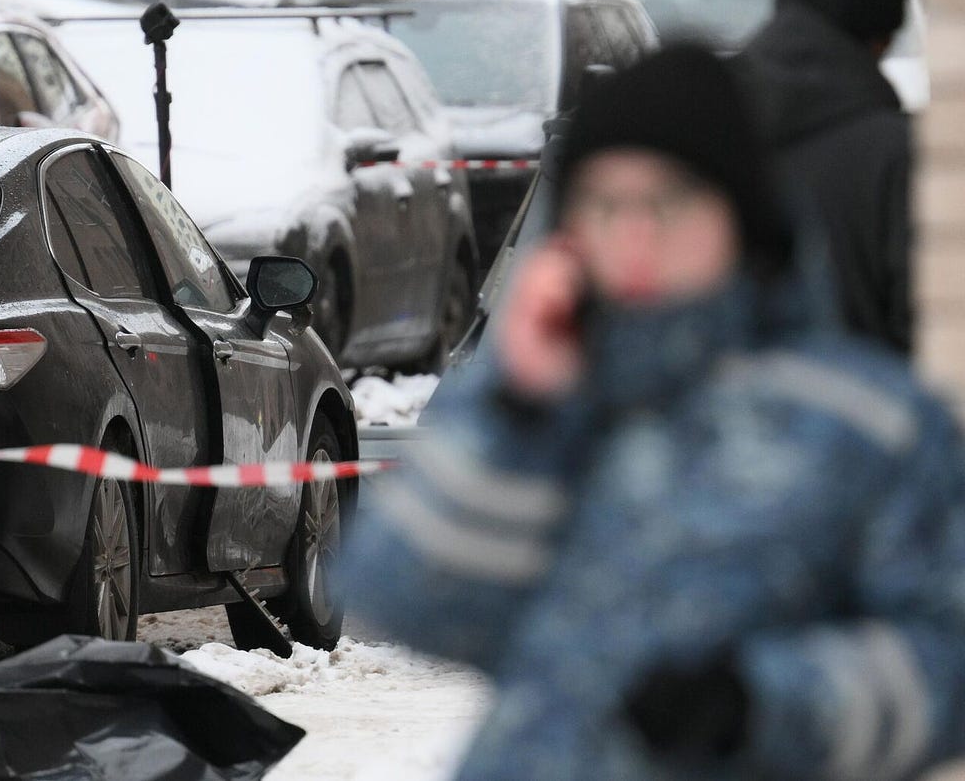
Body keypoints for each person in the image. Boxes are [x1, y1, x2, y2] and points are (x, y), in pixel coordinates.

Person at [341, 46, 965, 780]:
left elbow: (947, 660)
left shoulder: (866, 423)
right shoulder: (543, 395)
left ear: (738, 214)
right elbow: (400, 602)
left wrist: (763, 704)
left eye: (667, 204)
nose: (634, 240)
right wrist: (521, 418)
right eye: (605, 206)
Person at [736, 0, 915, 356]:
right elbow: (918, 321)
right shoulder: (893, 152)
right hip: (864, 403)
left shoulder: (708, 120)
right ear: (879, 37)